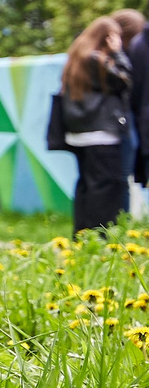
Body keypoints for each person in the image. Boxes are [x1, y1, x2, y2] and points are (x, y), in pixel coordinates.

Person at [56, 14, 137, 234]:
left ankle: (82, 234)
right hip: (102, 135)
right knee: (106, 189)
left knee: (86, 187)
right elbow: (126, 80)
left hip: (79, 135)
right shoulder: (97, 59)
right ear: (107, 38)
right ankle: (100, 236)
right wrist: (119, 52)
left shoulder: (76, 59)